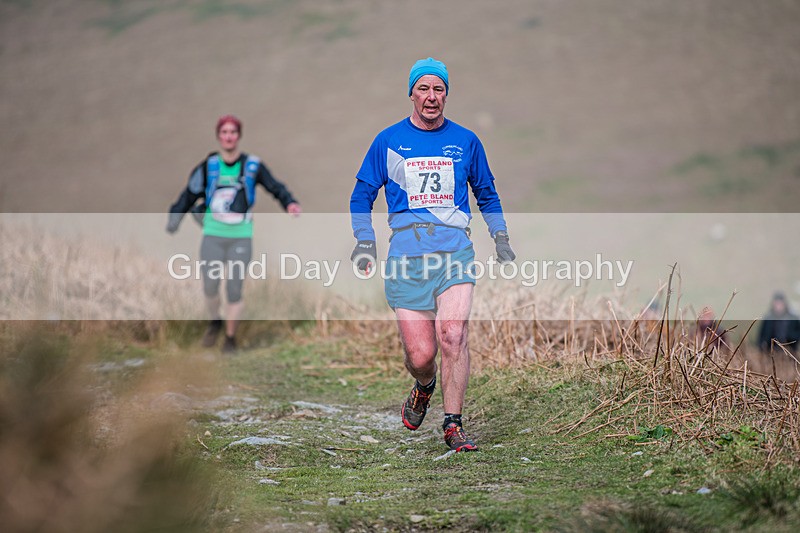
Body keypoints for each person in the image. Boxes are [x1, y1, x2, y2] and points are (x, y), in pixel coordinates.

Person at [349, 57, 516, 452]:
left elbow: (487, 194)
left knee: (453, 335)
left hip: (455, 252)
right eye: (423, 88)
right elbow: (361, 196)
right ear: (411, 94)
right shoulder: (388, 141)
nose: (431, 96)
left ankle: (453, 424)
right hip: (407, 257)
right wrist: (365, 240)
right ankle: (424, 385)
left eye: (438, 89)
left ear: (446, 95)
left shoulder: (466, 141)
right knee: (422, 355)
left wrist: (500, 236)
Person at [167, 115, 301, 352]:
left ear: (239, 136)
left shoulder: (253, 166)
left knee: (234, 288)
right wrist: (174, 218)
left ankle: (230, 339)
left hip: (241, 235)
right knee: (210, 286)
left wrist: (289, 203)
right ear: (219, 136)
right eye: (224, 132)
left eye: (232, 132)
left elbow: (275, 187)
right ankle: (215, 321)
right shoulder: (208, 167)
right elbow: (189, 194)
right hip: (213, 234)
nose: (228, 137)